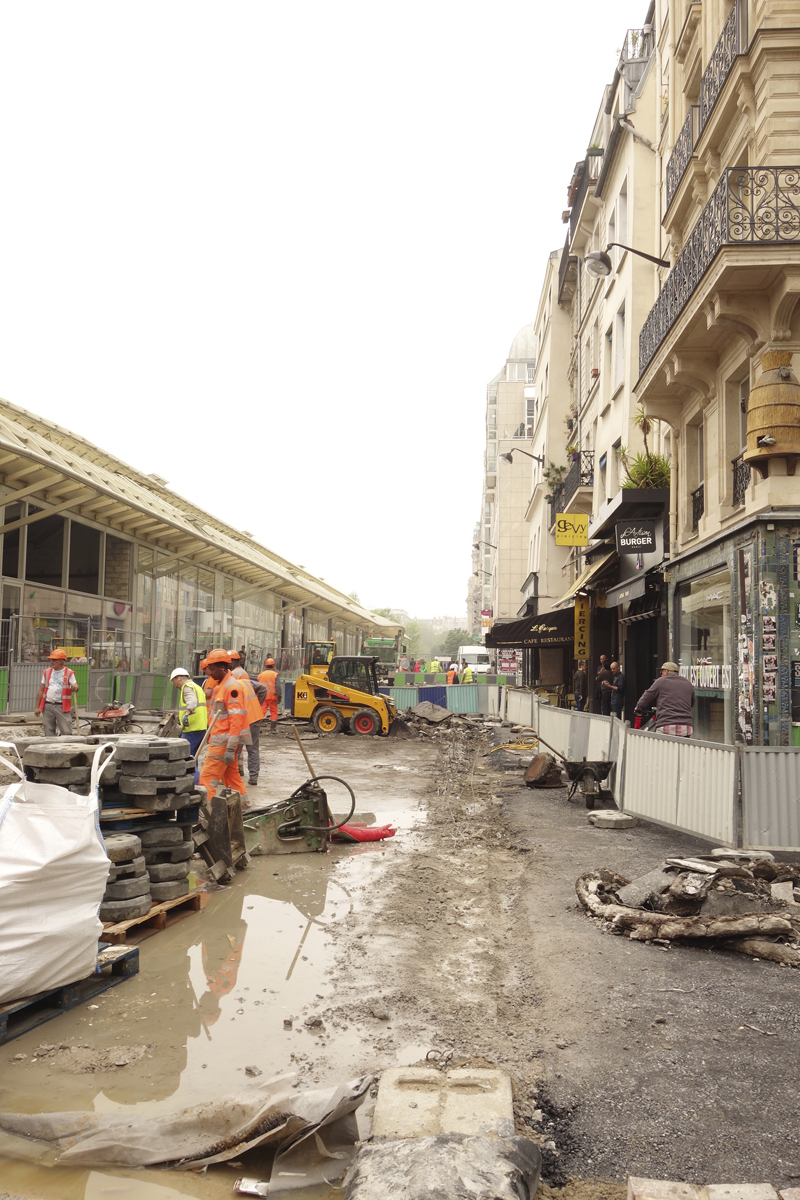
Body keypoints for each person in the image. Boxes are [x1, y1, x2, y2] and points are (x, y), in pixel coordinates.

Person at [198, 649, 249, 798]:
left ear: (222, 668)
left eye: (212, 669)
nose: (210, 673)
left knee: (207, 779)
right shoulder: (221, 685)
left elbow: (236, 720)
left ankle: (205, 813)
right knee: (232, 778)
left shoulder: (231, 687)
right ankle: (244, 808)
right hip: (222, 742)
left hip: (222, 744)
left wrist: (230, 748)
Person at [230, 653, 267, 786]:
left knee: (234, 748)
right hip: (254, 717)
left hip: (242, 720)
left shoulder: (231, 686)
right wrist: (258, 703)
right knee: (253, 749)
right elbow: (263, 688)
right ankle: (253, 777)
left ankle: (232, 774)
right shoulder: (247, 681)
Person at [635, 661, 696, 737]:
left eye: (661, 672)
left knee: (661, 746)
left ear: (666, 671)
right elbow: (692, 702)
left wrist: (639, 708)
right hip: (686, 728)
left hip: (666, 725)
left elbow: (646, 697)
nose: (661, 674)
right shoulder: (688, 683)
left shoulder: (661, 681)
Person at [36, 649, 79, 736]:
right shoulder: (47, 672)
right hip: (48, 706)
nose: (52, 662)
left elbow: (75, 685)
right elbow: (41, 689)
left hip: (62, 706)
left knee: (66, 731)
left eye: (54, 660)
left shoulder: (69, 673)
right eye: (51, 660)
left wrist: (75, 687)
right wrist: (37, 707)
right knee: (48, 731)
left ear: (61, 661)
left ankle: (66, 748)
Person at [258, 657, 280, 734]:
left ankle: (257, 728)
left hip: (263, 697)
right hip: (273, 697)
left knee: (261, 712)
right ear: (273, 666)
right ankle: (273, 729)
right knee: (274, 712)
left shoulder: (260, 675)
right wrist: (279, 697)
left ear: (265, 666)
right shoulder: (275, 675)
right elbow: (278, 687)